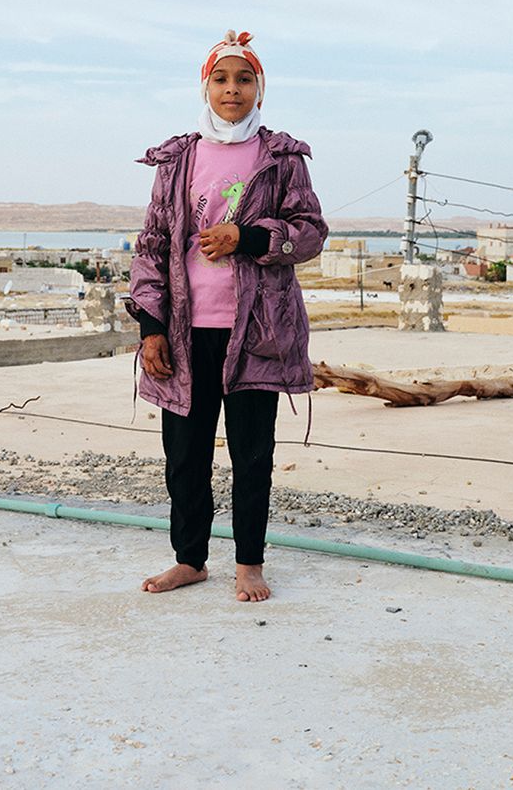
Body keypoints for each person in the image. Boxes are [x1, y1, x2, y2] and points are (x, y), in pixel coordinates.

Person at [126, 30, 328, 602]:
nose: (232, 89)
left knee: (252, 453)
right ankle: (189, 559)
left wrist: (246, 236)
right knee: (184, 454)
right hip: (187, 336)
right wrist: (152, 327)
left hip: (257, 333)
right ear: (205, 86)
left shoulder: (281, 157)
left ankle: (249, 563)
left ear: (259, 88)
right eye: (221, 78)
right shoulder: (178, 159)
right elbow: (153, 244)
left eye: (244, 79)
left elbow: (310, 233)